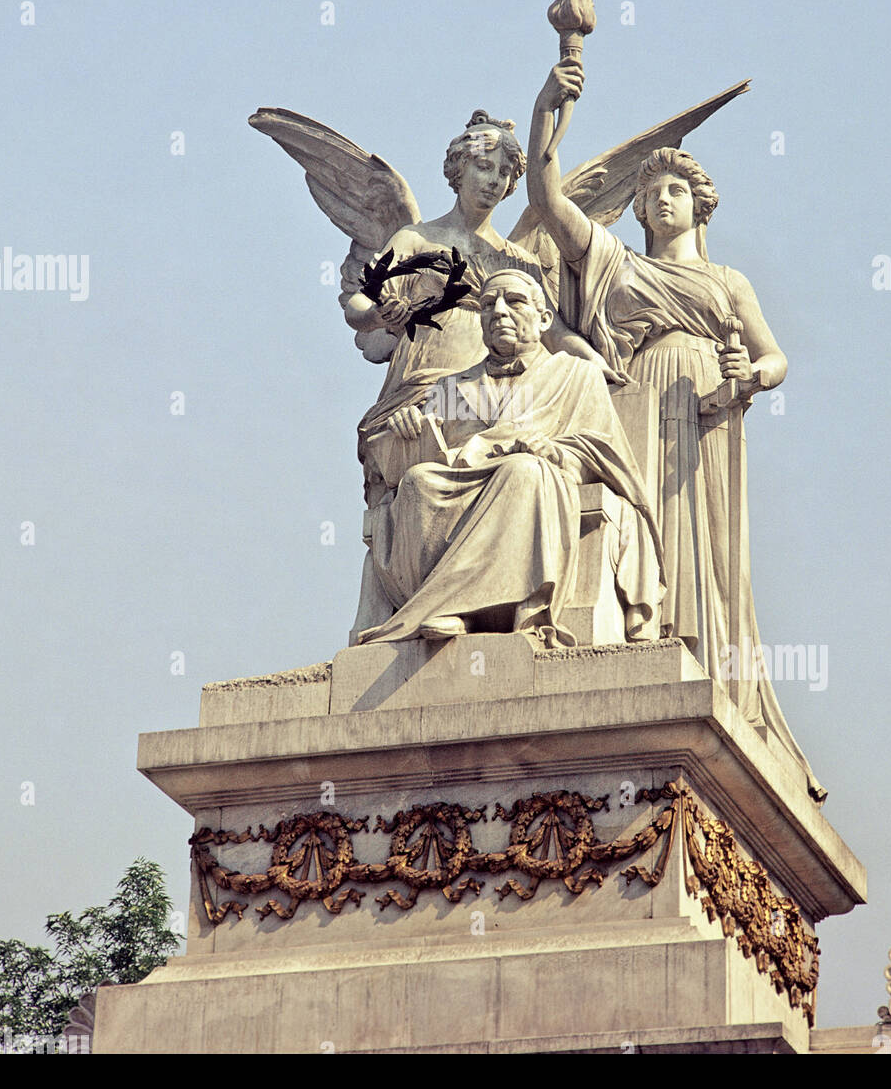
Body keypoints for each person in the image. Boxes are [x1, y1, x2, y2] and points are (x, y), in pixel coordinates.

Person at [527, 61, 825, 801]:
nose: (659, 199)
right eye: (649, 191)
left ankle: (699, 654)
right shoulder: (615, 265)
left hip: (705, 406)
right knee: (636, 525)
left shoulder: (728, 283)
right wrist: (549, 107)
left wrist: (751, 378)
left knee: (703, 541)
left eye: (674, 190)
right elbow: (547, 198)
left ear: (700, 205)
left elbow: (776, 355)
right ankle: (636, 635)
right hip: (632, 401)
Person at [346, 110, 619, 639]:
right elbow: (360, 302)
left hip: (500, 387)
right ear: (458, 169)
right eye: (485, 168)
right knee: (416, 470)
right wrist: (383, 312)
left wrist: (600, 364)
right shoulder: (416, 239)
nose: (494, 182)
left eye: (505, 175)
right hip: (430, 376)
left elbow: (554, 331)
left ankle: (467, 602)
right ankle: (414, 595)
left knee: (500, 458)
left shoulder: (516, 258)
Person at [356, 270, 663, 648]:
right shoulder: (451, 386)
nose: (498, 312)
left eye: (514, 302)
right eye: (487, 305)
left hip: (532, 474)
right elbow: (420, 454)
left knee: (522, 473)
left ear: (544, 319)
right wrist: (406, 430)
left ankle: (466, 606)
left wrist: (554, 451)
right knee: (419, 480)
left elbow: (603, 451)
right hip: (462, 481)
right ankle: (444, 604)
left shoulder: (576, 374)